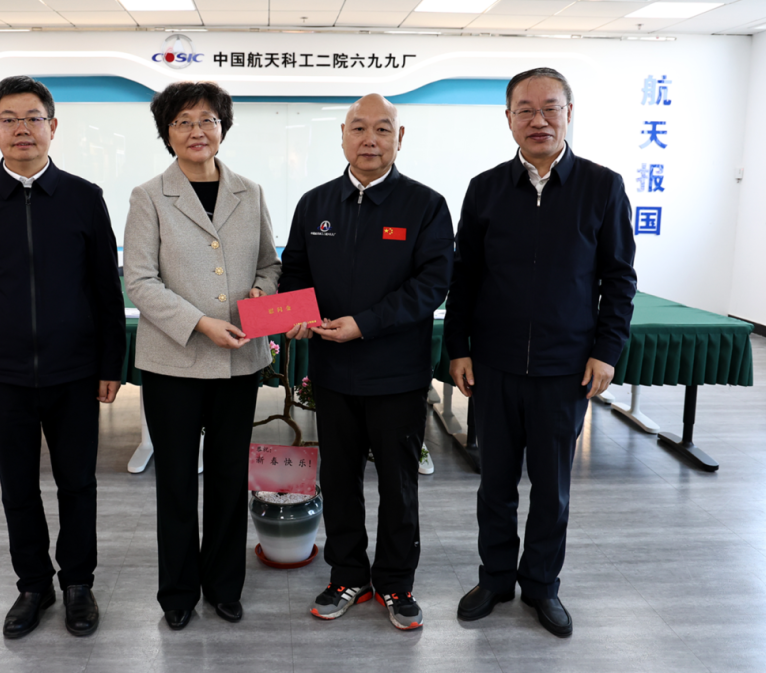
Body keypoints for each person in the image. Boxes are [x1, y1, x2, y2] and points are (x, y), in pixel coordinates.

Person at [446, 67, 637, 638]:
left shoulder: (602, 187)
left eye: (550, 107)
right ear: (508, 119)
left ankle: (542, 586)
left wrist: (606, 350)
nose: (538, 120)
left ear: (569, 114)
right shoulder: (485, 188)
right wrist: (458, 347)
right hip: (495, 365)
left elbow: (619, 278)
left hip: (565, 369)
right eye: (525, 110)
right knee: (495, 486)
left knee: (552, 492)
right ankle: (495, 580)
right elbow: (465, 276)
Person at [0, 75, 126, 639]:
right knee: (17, 488)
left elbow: (107, 289)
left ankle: (78, 583)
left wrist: (110, 364)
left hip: (73, 371)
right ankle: (33, 585)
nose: (21, 128)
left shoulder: (84, 197)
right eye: (9, 119)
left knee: (77, 484)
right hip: (1, 375)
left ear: (53, 126)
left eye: (32, 117)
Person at [279, 94, 454, 631]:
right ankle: (347, 575)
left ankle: (397, 582)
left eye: (382, 129)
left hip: (396, 375)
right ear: (343, 135)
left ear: (399, 139)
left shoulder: (425, 205)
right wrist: (295, 311)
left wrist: (366, 323)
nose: (370, 139)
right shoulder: (314, 203)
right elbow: (294, 272)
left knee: (399, 485)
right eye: (359, 128)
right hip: (332, 373)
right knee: (339, 479)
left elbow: (432, 285)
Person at [124, 81, 281, 631]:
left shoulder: (250, 192)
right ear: (167, 132)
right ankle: (178, 592)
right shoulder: (149, 196)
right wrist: (200, 323)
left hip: (240, 360)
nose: (197, 131)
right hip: (174, 362)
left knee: (227, 477)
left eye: (208, 120)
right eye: (184, 121)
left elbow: (270, 264)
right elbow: (139, 280)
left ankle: (224, 585)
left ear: (223, 128)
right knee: (175, 481)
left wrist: (260, 293)